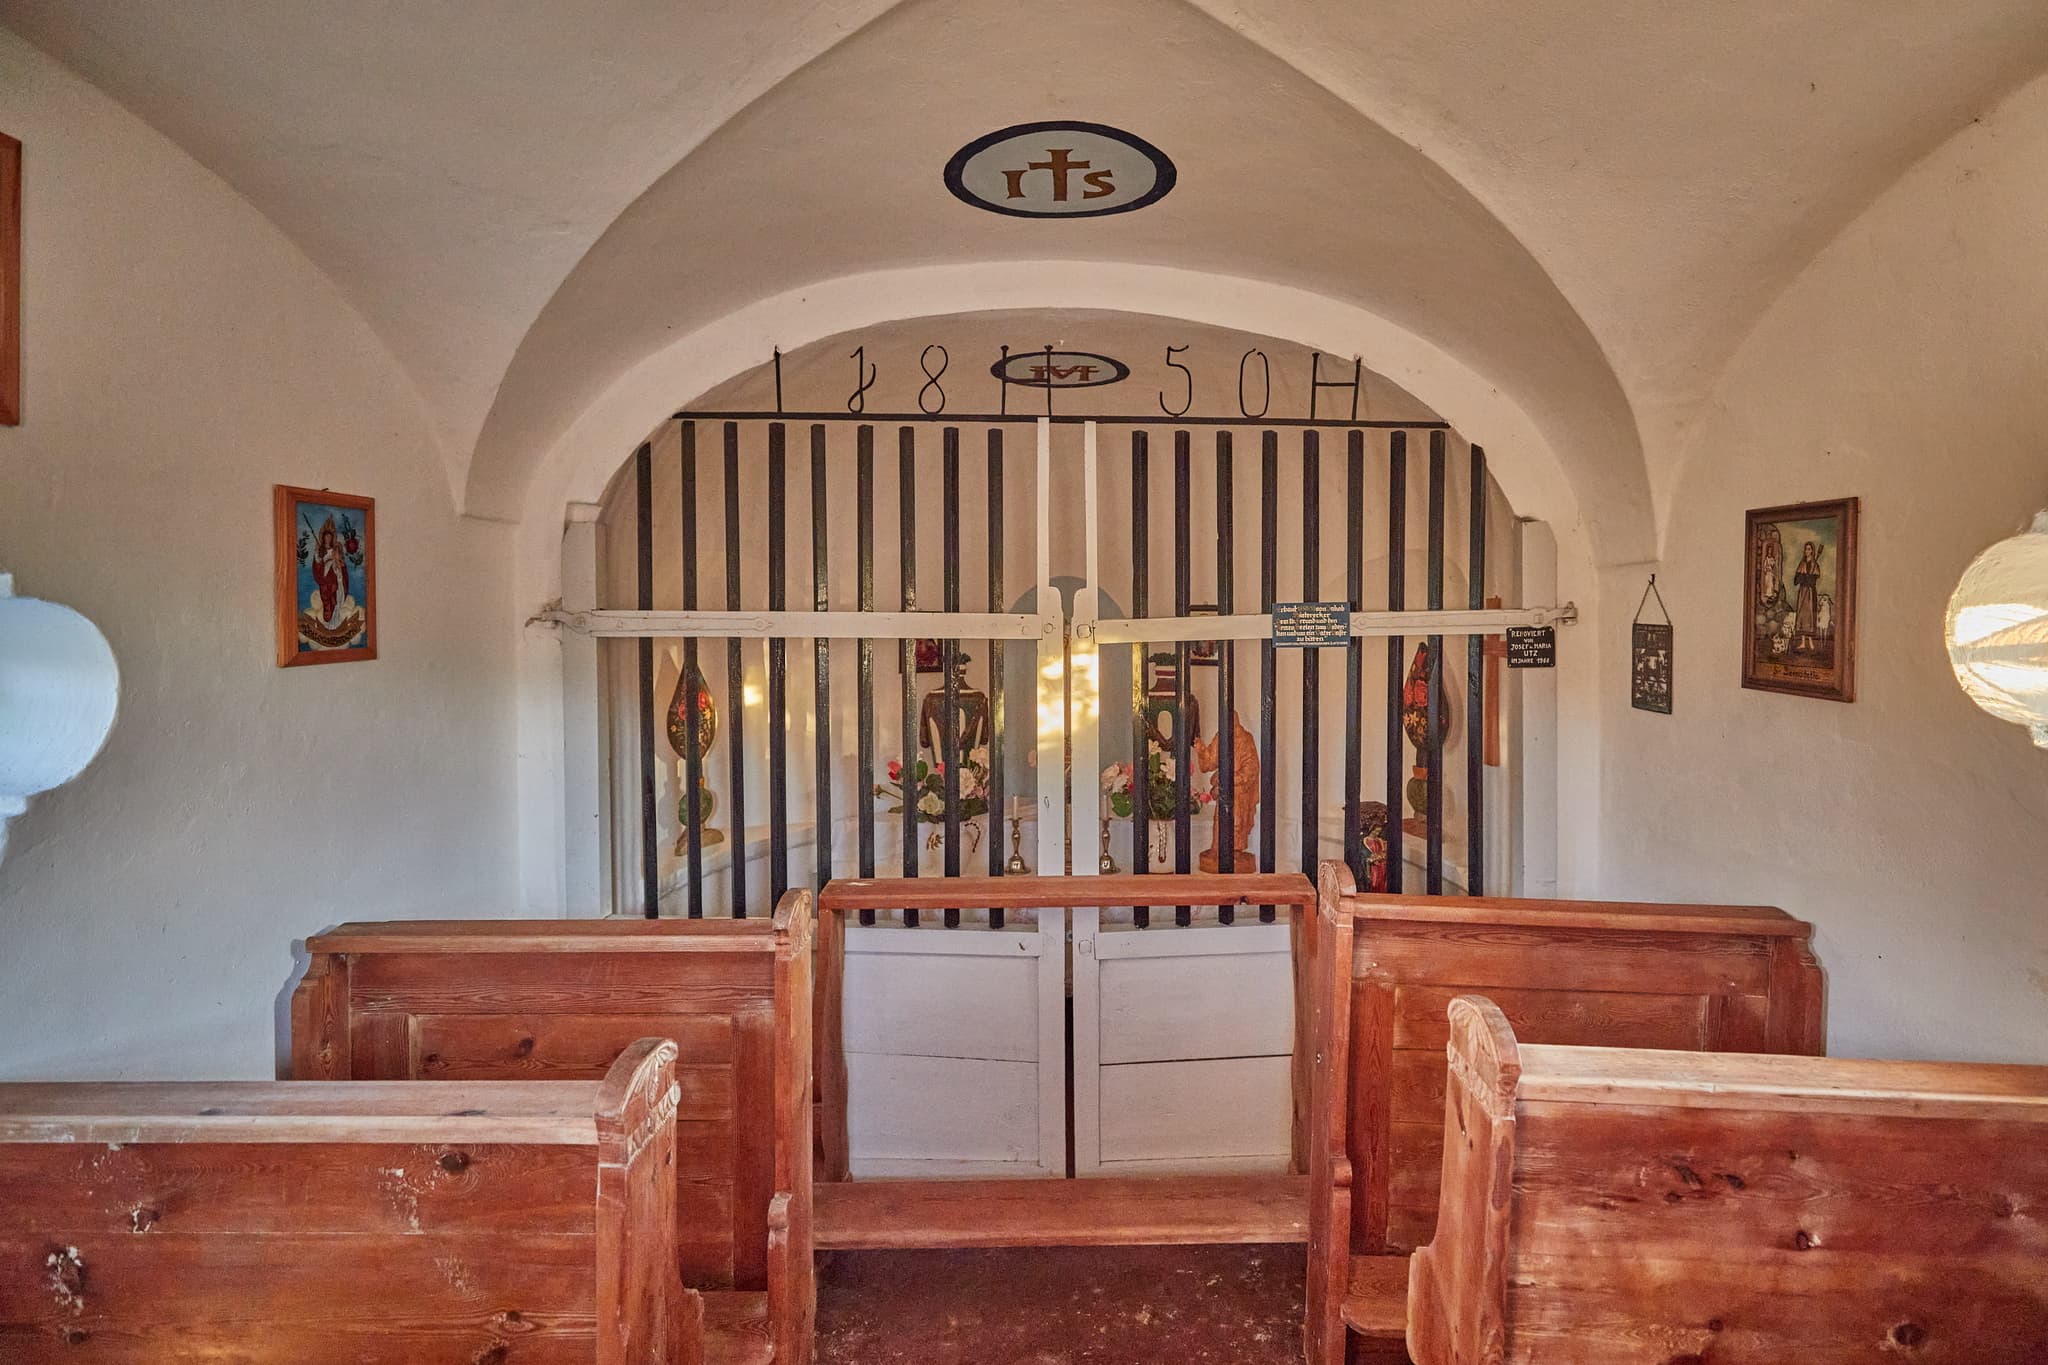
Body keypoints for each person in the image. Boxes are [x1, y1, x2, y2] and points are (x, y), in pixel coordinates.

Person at [1791, 541, 1822, 653]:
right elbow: (1796, 580)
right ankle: (1803, 643)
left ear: (1813, 551)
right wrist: (1802, 578)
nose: (1807, 551)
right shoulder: (1801, 564)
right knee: (1802, 616)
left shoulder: (1815, 565)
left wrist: (1810, 578)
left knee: (1810, 616)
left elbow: (1815, 579)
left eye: (1809, 549)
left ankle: (1811, 642)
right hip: (1802, 592)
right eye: (1806, 549)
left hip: (1810, 592)